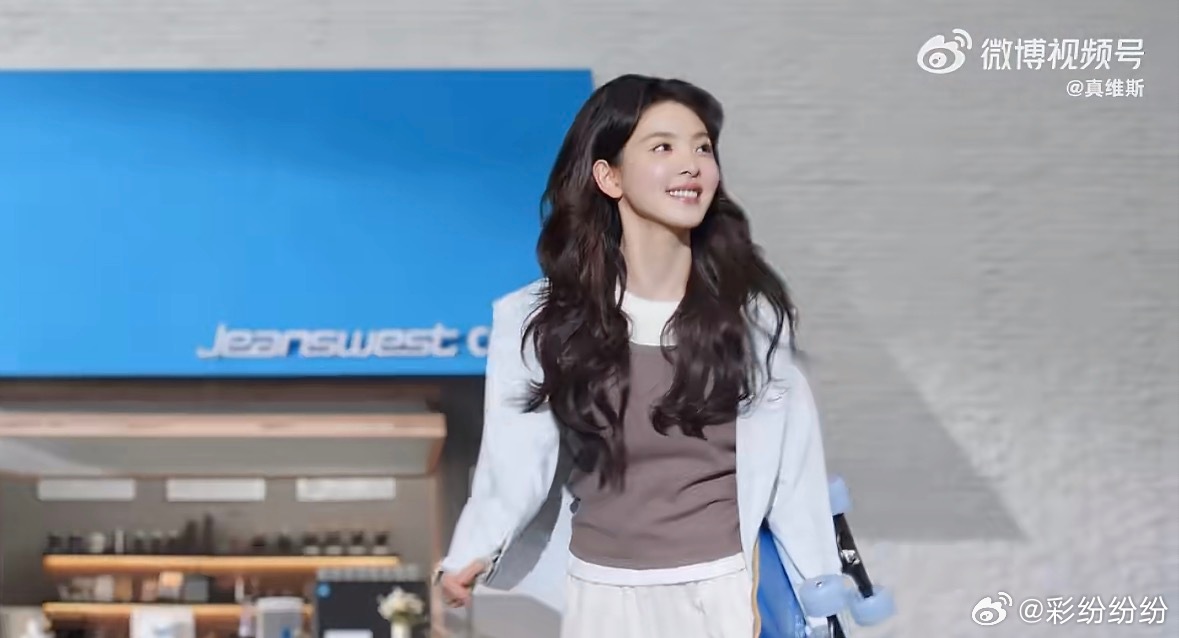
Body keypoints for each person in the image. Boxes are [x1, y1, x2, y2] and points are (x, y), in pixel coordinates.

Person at [435, 74, 843, 638]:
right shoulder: (540, 320)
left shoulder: (751, 319)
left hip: (724, 594)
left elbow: (795, 479)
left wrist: (821, 602)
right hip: (600, 597)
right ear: (609, 176)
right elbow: (513, 461)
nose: (691, 165)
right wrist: (472, 551)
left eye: (703, 148)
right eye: (662, 148)